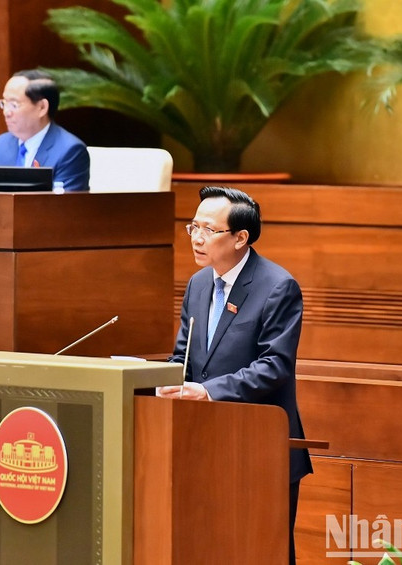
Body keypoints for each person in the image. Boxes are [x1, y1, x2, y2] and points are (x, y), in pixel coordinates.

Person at [158, 185, 312, 565]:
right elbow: (186, 357)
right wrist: (144, 377)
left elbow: (274, 366)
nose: (196, 238)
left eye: (208, 230)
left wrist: (206, 392)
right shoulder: (198, 284)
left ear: (241, 237)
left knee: (262, 551)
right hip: (203, 444)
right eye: (193, 227)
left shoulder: (277, 287)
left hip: (259, 447)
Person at [0, 69, 90, 192]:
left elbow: (65, 207)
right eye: (4, 103)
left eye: (14, 105)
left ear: (42, 107)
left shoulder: (70, 151)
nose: (6, 112)